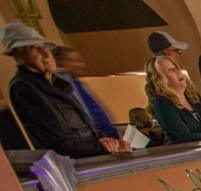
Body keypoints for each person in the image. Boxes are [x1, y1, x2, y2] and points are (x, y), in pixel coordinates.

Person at [5, 24, 126, 157]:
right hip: (77, 164)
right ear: (19, 56)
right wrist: (101, 147)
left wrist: (107, 141)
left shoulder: (59, 83)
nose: (46, 54)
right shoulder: (24, 88)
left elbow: (87, 124)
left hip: (93, 155)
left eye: (44, 47)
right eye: (35, 49)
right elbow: (58, 139)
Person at [148, 54, 201, 144]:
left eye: (176, 68)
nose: (178, 72)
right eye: (170, 70)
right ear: (160, 79)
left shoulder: (192, 96)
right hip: (185, 153)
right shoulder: (162, 102)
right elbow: (184, 137)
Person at [53, 48, 117, 139]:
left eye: (80, 61)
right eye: (73, 61)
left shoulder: (77, 84)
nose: (81, 65)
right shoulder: (66, 85)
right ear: (61, 64)